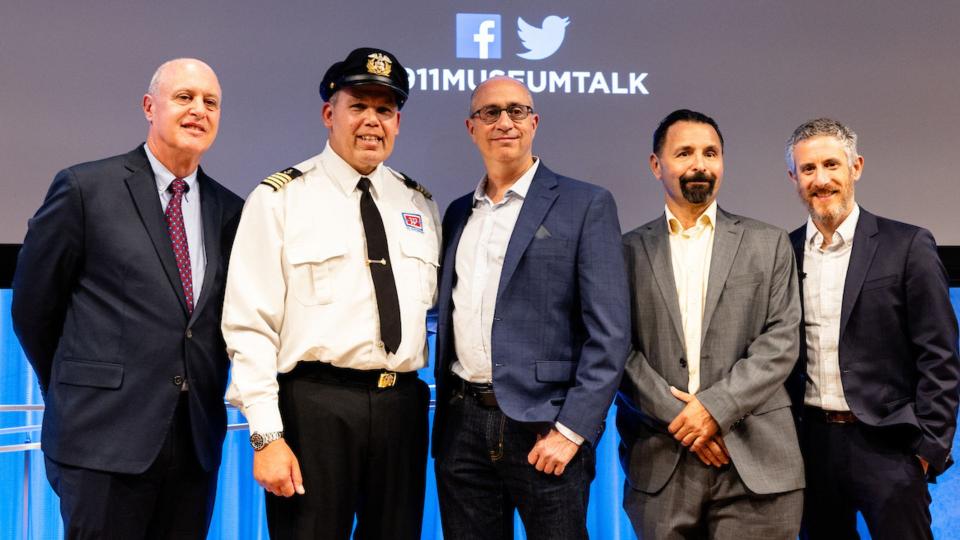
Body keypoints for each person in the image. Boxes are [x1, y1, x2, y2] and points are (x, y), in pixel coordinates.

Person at [11, 58, 243, 538]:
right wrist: (79, 386)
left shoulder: (230, 209)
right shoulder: (84, 188)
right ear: (148, 106)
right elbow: (33, 309)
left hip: (193, 443)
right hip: (100, 439)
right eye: (184, 97)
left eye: (211, 102)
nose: (199, 109)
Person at [221, 47, 440, 539]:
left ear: (398, 122)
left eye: (384, 110)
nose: (371, 121)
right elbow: (248, 325)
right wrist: (266, 436)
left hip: (402, 406)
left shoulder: (419, 204)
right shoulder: (280, 198)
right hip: (314, 406)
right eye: (358, 105)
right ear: (329, 114)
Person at [432, 76, 631, 539]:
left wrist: (574, 429)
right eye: (490, 113)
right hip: (462, 425)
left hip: (546, 427)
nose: (505, 122)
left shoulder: (586, 203)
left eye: (517, 111)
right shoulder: (459, 212)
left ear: (534, 122)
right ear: (471, 127)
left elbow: (610, 334)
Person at [618, 109, 805, 539]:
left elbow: (780, 341)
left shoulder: (769, 242)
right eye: (684, 153)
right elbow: (617, 349)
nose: (699, 164)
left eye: (711, 153)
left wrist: (714, 411)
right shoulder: (624, 250)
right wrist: (685, 420)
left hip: (758, 464)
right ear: (656, 165)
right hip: (663, 463)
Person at [783, 117, 960, 539]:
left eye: (831, 165)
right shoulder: (782, 253)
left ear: (856, 167)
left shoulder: (908, 245)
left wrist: (926, 450)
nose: (821, 179)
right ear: (793, 178)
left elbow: (940, 354)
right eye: (808, 169)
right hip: (811, 447)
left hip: (890, 447)